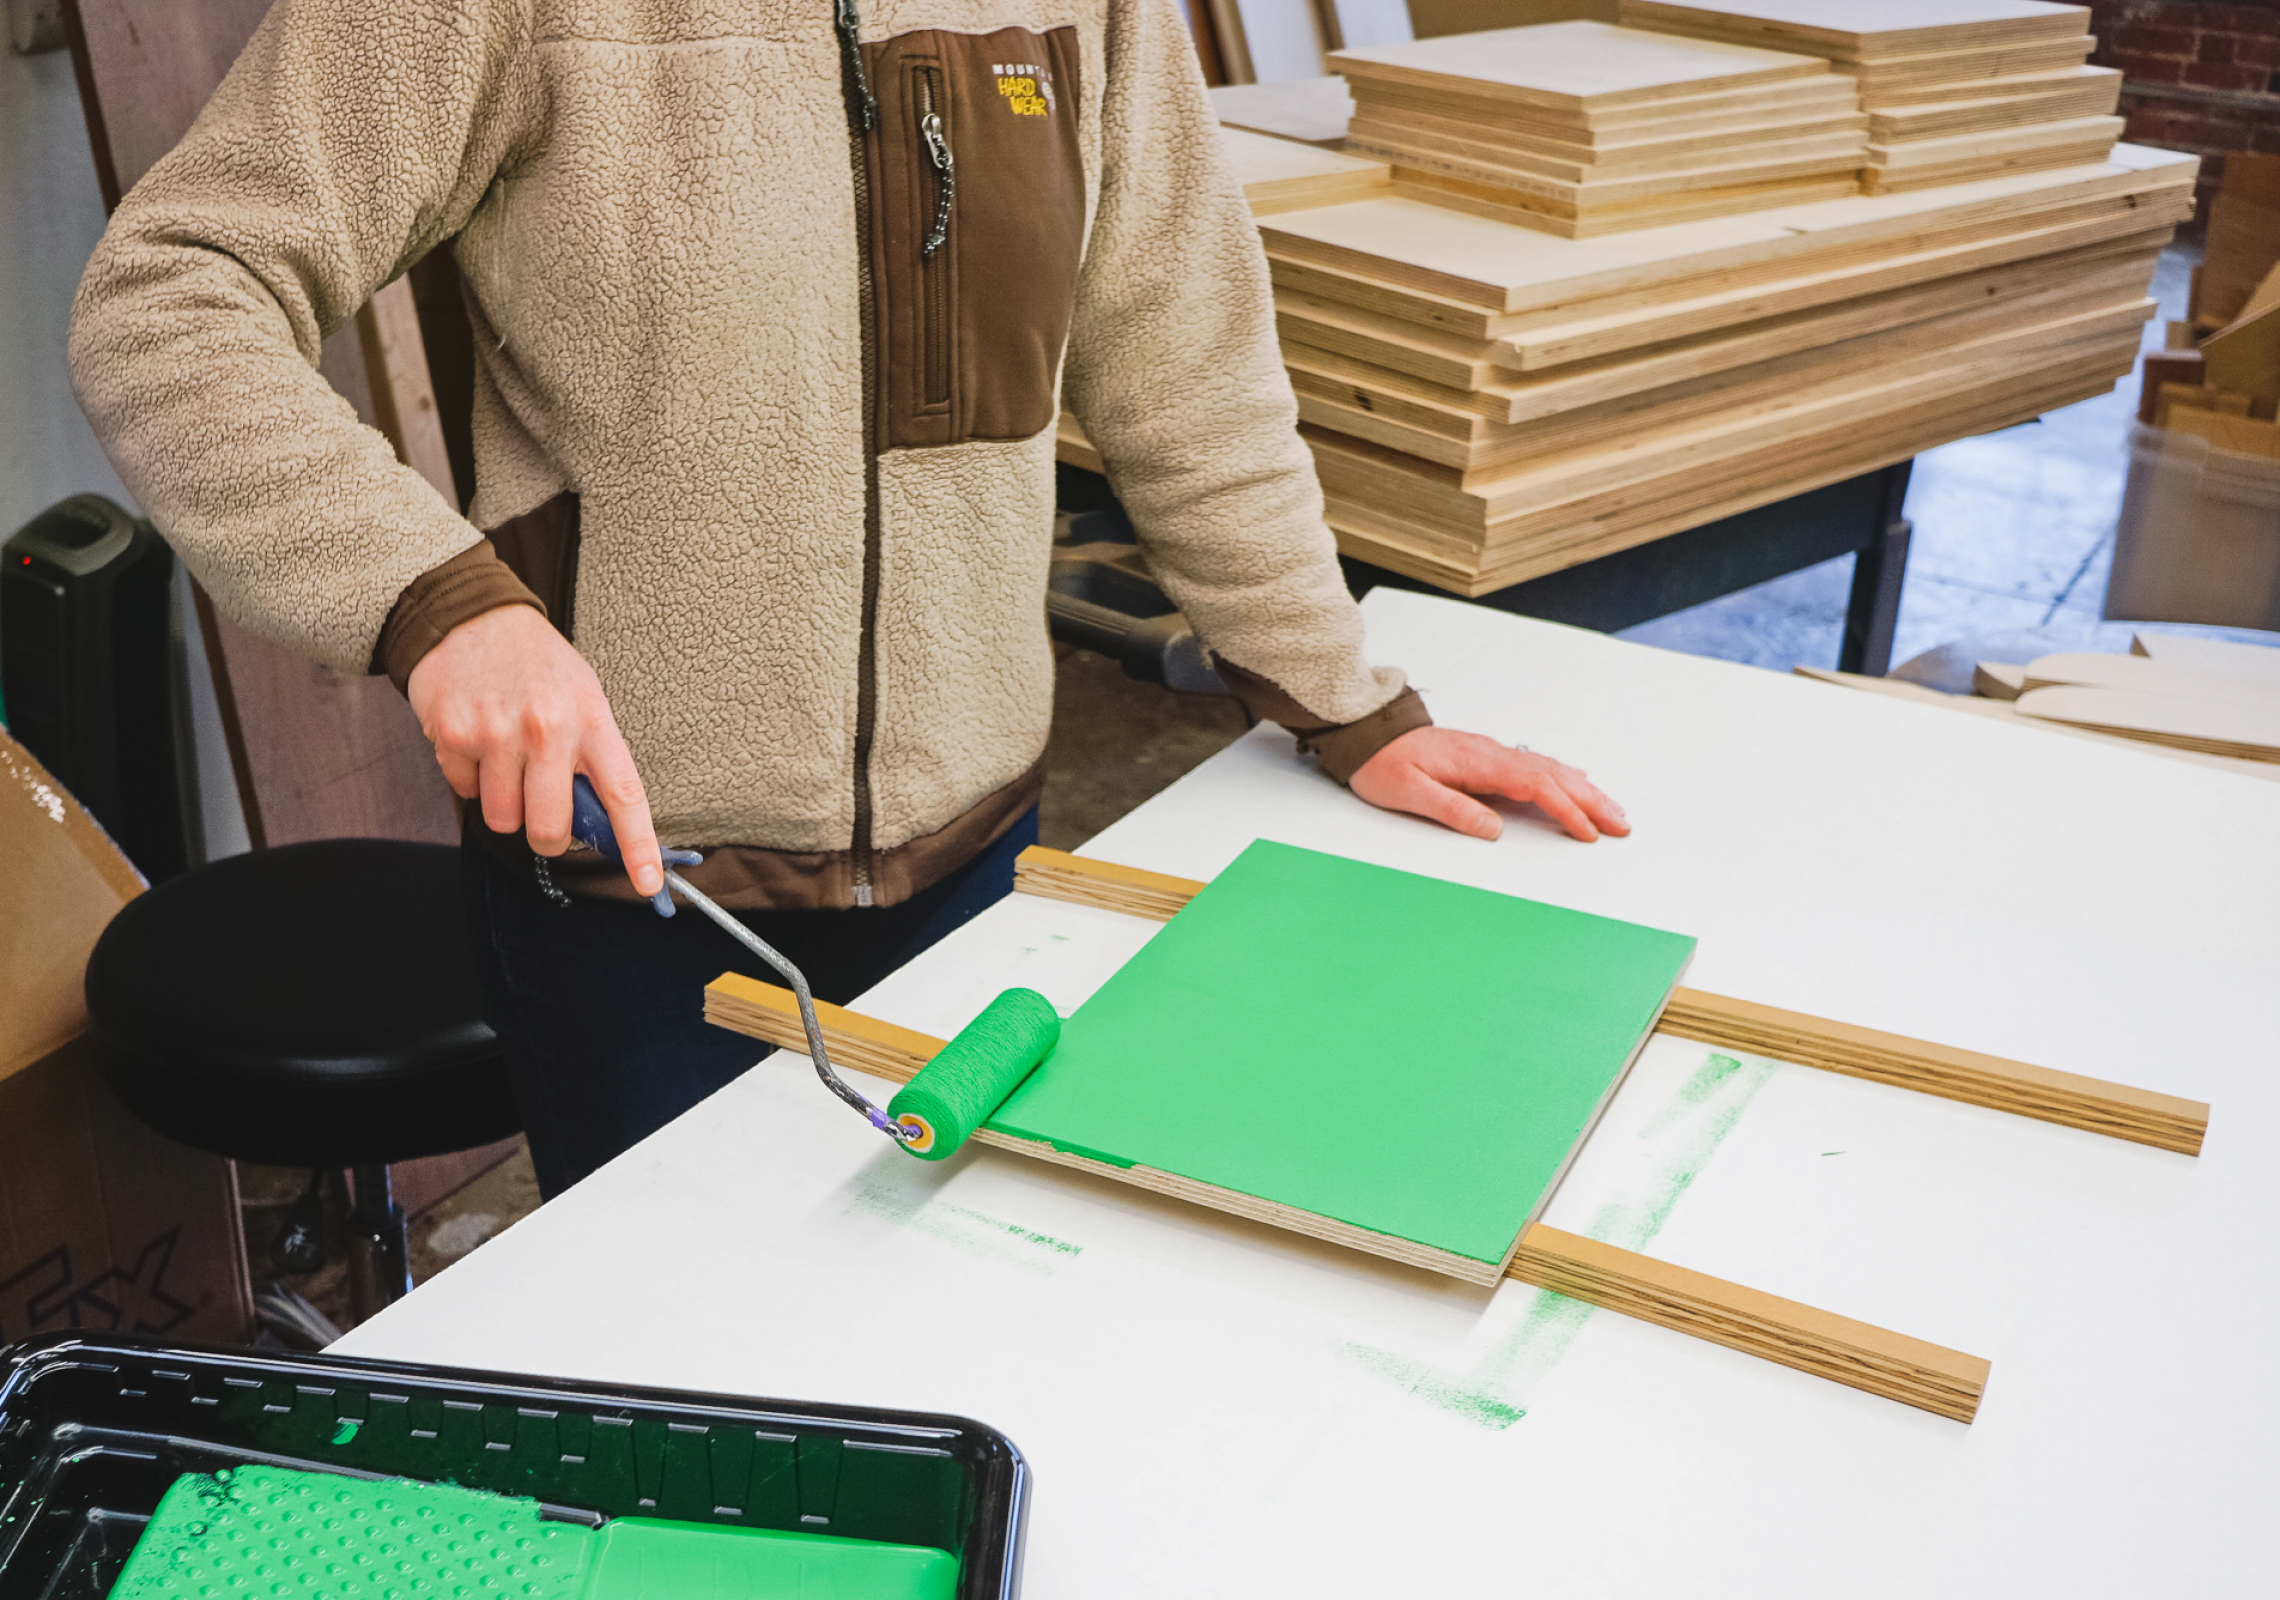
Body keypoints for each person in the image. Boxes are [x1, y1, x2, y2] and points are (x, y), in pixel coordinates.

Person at [72, 0, 1627, 1198]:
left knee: (946, 1351)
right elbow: (174, 291)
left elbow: (1187, 365)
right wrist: (434, 600)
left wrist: (1349, 701)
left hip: (979, 855)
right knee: (699, 1421)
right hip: (642, 891)